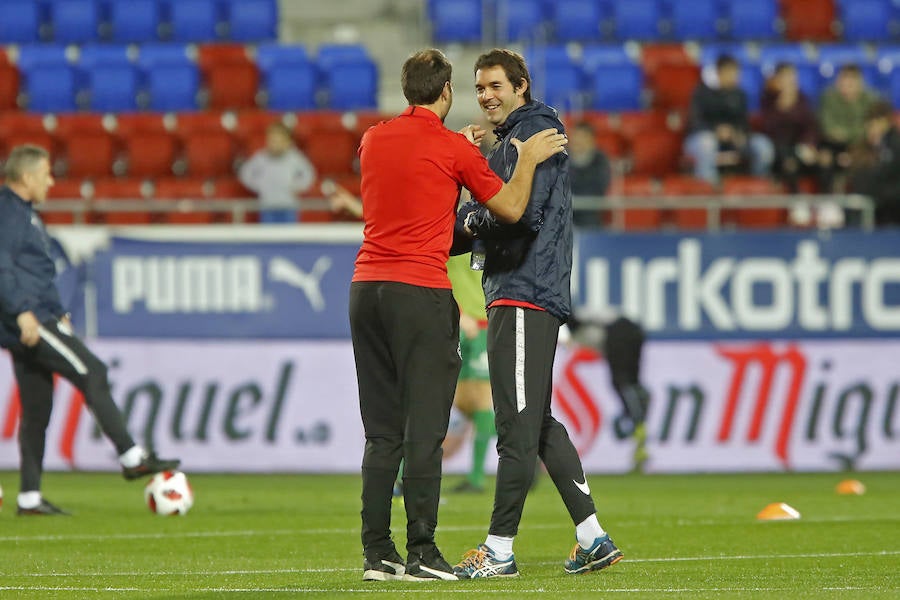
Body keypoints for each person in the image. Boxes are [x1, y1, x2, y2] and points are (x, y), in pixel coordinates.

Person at [350, 49, 568, 583]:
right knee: (424, 430)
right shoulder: (452, 148)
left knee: (381, 435)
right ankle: (422, 552)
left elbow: (411, 190)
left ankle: (378, 554)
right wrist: (529, 159)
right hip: (419, 294)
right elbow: (514, 210)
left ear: (407, 91)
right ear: (447, 92)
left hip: (365, 289)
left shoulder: (373, 139)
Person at [452, 48, 622, 580]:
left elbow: (518, 214)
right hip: (518, 289)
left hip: (525, 290)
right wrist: (487, 165)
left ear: (521, 86)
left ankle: (498, 550)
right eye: (479, 88)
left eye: (496, 86)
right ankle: (592, 537)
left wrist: (463, 222)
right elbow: (505, 203)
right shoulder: (517, 138)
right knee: (536, 420)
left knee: (516, 426)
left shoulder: (534, 133)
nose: (485, 96)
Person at [0, 145, 180, 516]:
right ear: (27, 177)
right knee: (92, 371)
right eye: (46, 174)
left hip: (38, 315)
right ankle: (132, 457)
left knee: (36, 409)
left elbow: (34, 272)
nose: (51, 181)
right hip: (27, 319)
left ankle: (29, 498)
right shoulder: (8, 212)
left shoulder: (22, 213)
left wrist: (55, 311)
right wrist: (23, 314)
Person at [565, 312, 651, 472]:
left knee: (621, 382)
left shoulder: (578, 330)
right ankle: (639, 423)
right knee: (631, 382)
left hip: (618, 334)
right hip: (633, 331)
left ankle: (638, 425)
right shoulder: (586, 321)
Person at [684, 55, 774, 186]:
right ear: (720, 72)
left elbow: (744, 123)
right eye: (730, 72)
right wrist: (716, 131)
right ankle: (709, 191)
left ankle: (758, 186)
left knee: (762, 145)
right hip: (701, 139)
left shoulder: (740, 95)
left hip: (733, 141)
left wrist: (738, 134)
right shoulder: (701, 93)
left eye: (736, 72)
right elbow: (695, 122)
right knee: (707, 144)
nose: (735, 76)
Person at [446, 253, 495, 494]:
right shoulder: (450, 227)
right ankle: (529, 441)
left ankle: (476, 479)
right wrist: (458, 312)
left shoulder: (490, 229)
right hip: (454, 320)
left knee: (480, 400)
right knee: (458, 402)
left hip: (482, 325)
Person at [818, 64, 882, 193]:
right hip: (834, 146)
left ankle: (862, 201)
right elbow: (828, 127)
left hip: (862, 146)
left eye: (851, 82)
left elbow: (869, 130)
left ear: (859, 83)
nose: (846, 86)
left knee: (865, 158)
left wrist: (848, 135)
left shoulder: (871, 100)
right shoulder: (829, 98)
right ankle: (830, 200)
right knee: (825, 157)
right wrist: (850, 134)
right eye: (843, 81)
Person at [759, 62, 821, 193]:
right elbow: (768, 128)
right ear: (777, 80)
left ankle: (826, 201)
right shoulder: (768, 99)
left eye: (792, 77)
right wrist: (781, 106)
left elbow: (810, 127)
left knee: (822, 160)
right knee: (789, 163)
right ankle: (797, 201)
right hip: (777, 150)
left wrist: (808, 144)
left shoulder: (802, 99)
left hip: (799, 147)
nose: (789, 81)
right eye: (785, 77)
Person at [238, 122, 316, 224]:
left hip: (288, 206)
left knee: (289, 237)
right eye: (272, 140)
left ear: (288, 142)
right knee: (268, 237)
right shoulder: (261, 157)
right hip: (267, 206)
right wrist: (259, 185)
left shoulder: (294, 157)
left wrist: (298, 186)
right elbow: (245, 173)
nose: (275, 144)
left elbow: (309, 174)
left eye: (279, 141)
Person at [847, 101, 900, 226]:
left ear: (886, 122)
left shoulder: (895, 144)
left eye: (876, 123)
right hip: (876, 200)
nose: (872, 128)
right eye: (869, 124)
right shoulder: (864, 147)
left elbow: (888, 173)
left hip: (892, 203)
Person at [568, 122, 611, 227]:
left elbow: (599, 188)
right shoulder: (561, 158)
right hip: (565, 212)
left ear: (592, 140)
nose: (578, 141)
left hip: (590, 212)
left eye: (582, 137)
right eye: (576, 136)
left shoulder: (600, 160)